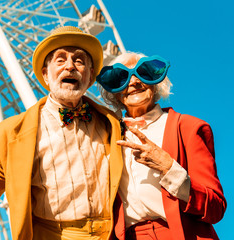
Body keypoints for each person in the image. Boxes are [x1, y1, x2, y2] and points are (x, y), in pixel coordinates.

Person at [0, 26, 124, 240]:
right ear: (45, 75)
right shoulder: (13, 133)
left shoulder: (112, 124)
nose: (70, 66)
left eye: (79, 61)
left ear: (90, 76)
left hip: (112, 234)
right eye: (60, 60)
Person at [96, 52, 226, 240]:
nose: (133, 82)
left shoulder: (188, 127)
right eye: (121, 77)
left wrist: (170, 168)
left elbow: (215, 207)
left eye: (144, 73)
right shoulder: (105, 136)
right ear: (114, 94)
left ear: (156, 83)